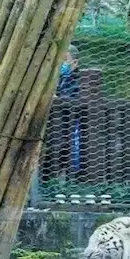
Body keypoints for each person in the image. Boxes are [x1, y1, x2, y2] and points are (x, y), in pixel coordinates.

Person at [55, 45, 82, 174]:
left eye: (65, 59)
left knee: (73, 146)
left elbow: (76, 96)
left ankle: (74, 175)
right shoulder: (57, 78)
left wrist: (60, 97)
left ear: (75, 62)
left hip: (73, 120)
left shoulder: (80, 78)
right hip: (57, 121)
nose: (61, 63)